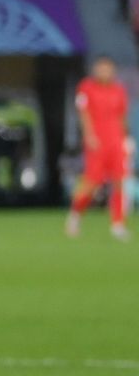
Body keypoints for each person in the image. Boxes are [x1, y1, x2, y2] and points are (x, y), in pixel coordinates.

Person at [67, 56, 130, 240]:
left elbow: (122, 116)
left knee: (119, 181)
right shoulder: (86, 88)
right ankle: (76, 214)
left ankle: (118, 223)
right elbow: (83, 113)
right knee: (92, 183)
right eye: (101, 68)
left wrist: (126, 138)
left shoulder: (119, 90)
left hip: (116, 141)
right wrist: (89, 135)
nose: (104, 72)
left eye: (107, 68)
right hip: (97, 142)